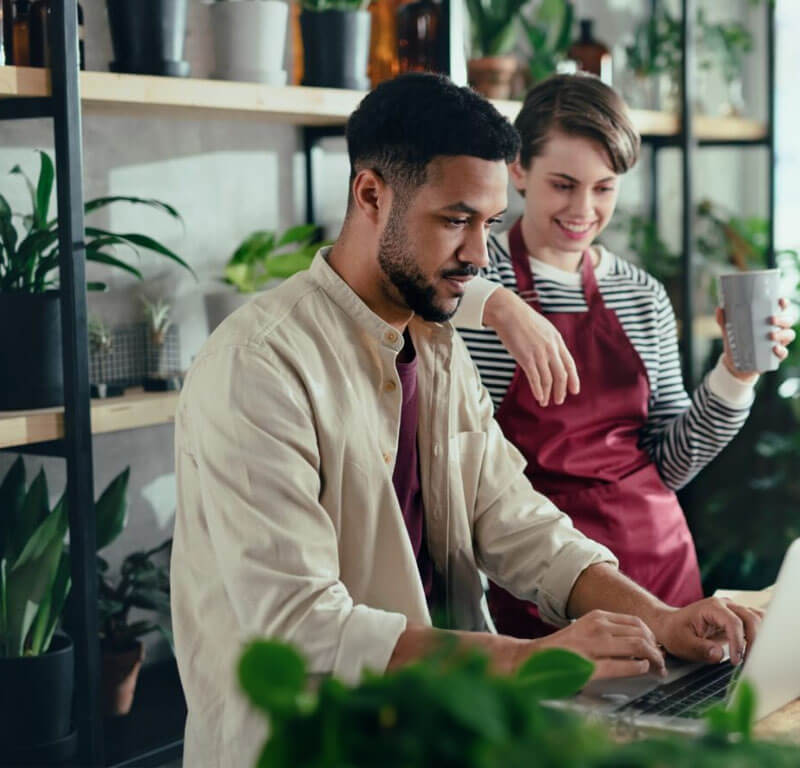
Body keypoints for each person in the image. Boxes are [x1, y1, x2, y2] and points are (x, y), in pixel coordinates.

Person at [171, 73, 763, 768]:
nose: (480, 256)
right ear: (370, 196)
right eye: (456, 220)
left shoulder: (438, 348)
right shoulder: (258, 366)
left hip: (444, 734)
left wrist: (660, 620)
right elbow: (301, 625)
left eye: (489, 223)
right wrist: (528, 658)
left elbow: (521, 525)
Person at [452, 74, 795, 638]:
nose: (583, 209)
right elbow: (397, 291)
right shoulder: (472, 274)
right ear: (517, 170)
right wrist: (502, 307)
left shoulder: (641, 295)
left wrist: (736, 374)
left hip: (658, 566)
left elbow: (670, 464)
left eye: (604, 188)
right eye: (563, 184)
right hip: (537, 575)